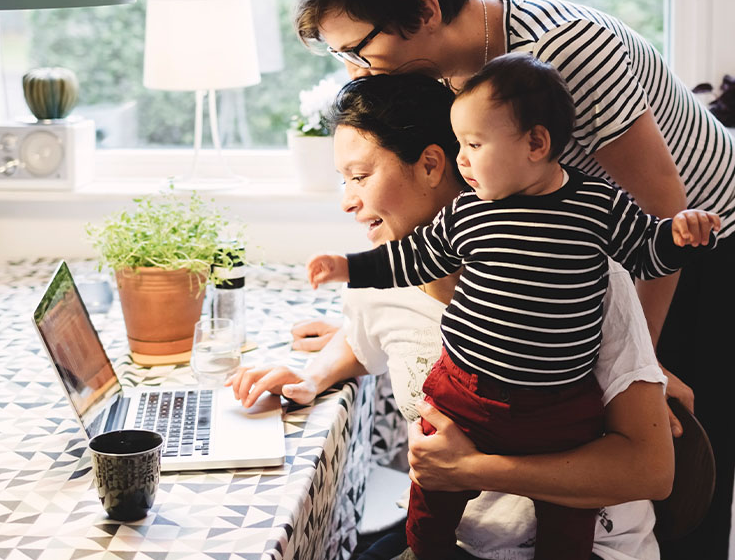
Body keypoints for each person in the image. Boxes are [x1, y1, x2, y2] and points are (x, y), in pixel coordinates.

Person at [294, 0, 735, 556]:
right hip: (604, 237)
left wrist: (639, 370)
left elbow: (662, 205)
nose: (352, 68)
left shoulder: (565, 51)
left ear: (426, 13)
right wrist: (373, 324)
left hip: (697, 235)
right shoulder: (445, 65)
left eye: (358, 48)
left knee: (676, 453)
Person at [230, 73, 675, 560]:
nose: (347, 200)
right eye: (343, 181)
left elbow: (651, 471)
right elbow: (366, 339)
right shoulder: (380, 281)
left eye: (360, 176)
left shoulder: (577, 268)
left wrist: (472, 469)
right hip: (459, 543)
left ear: (430, 164)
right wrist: (310, 376)